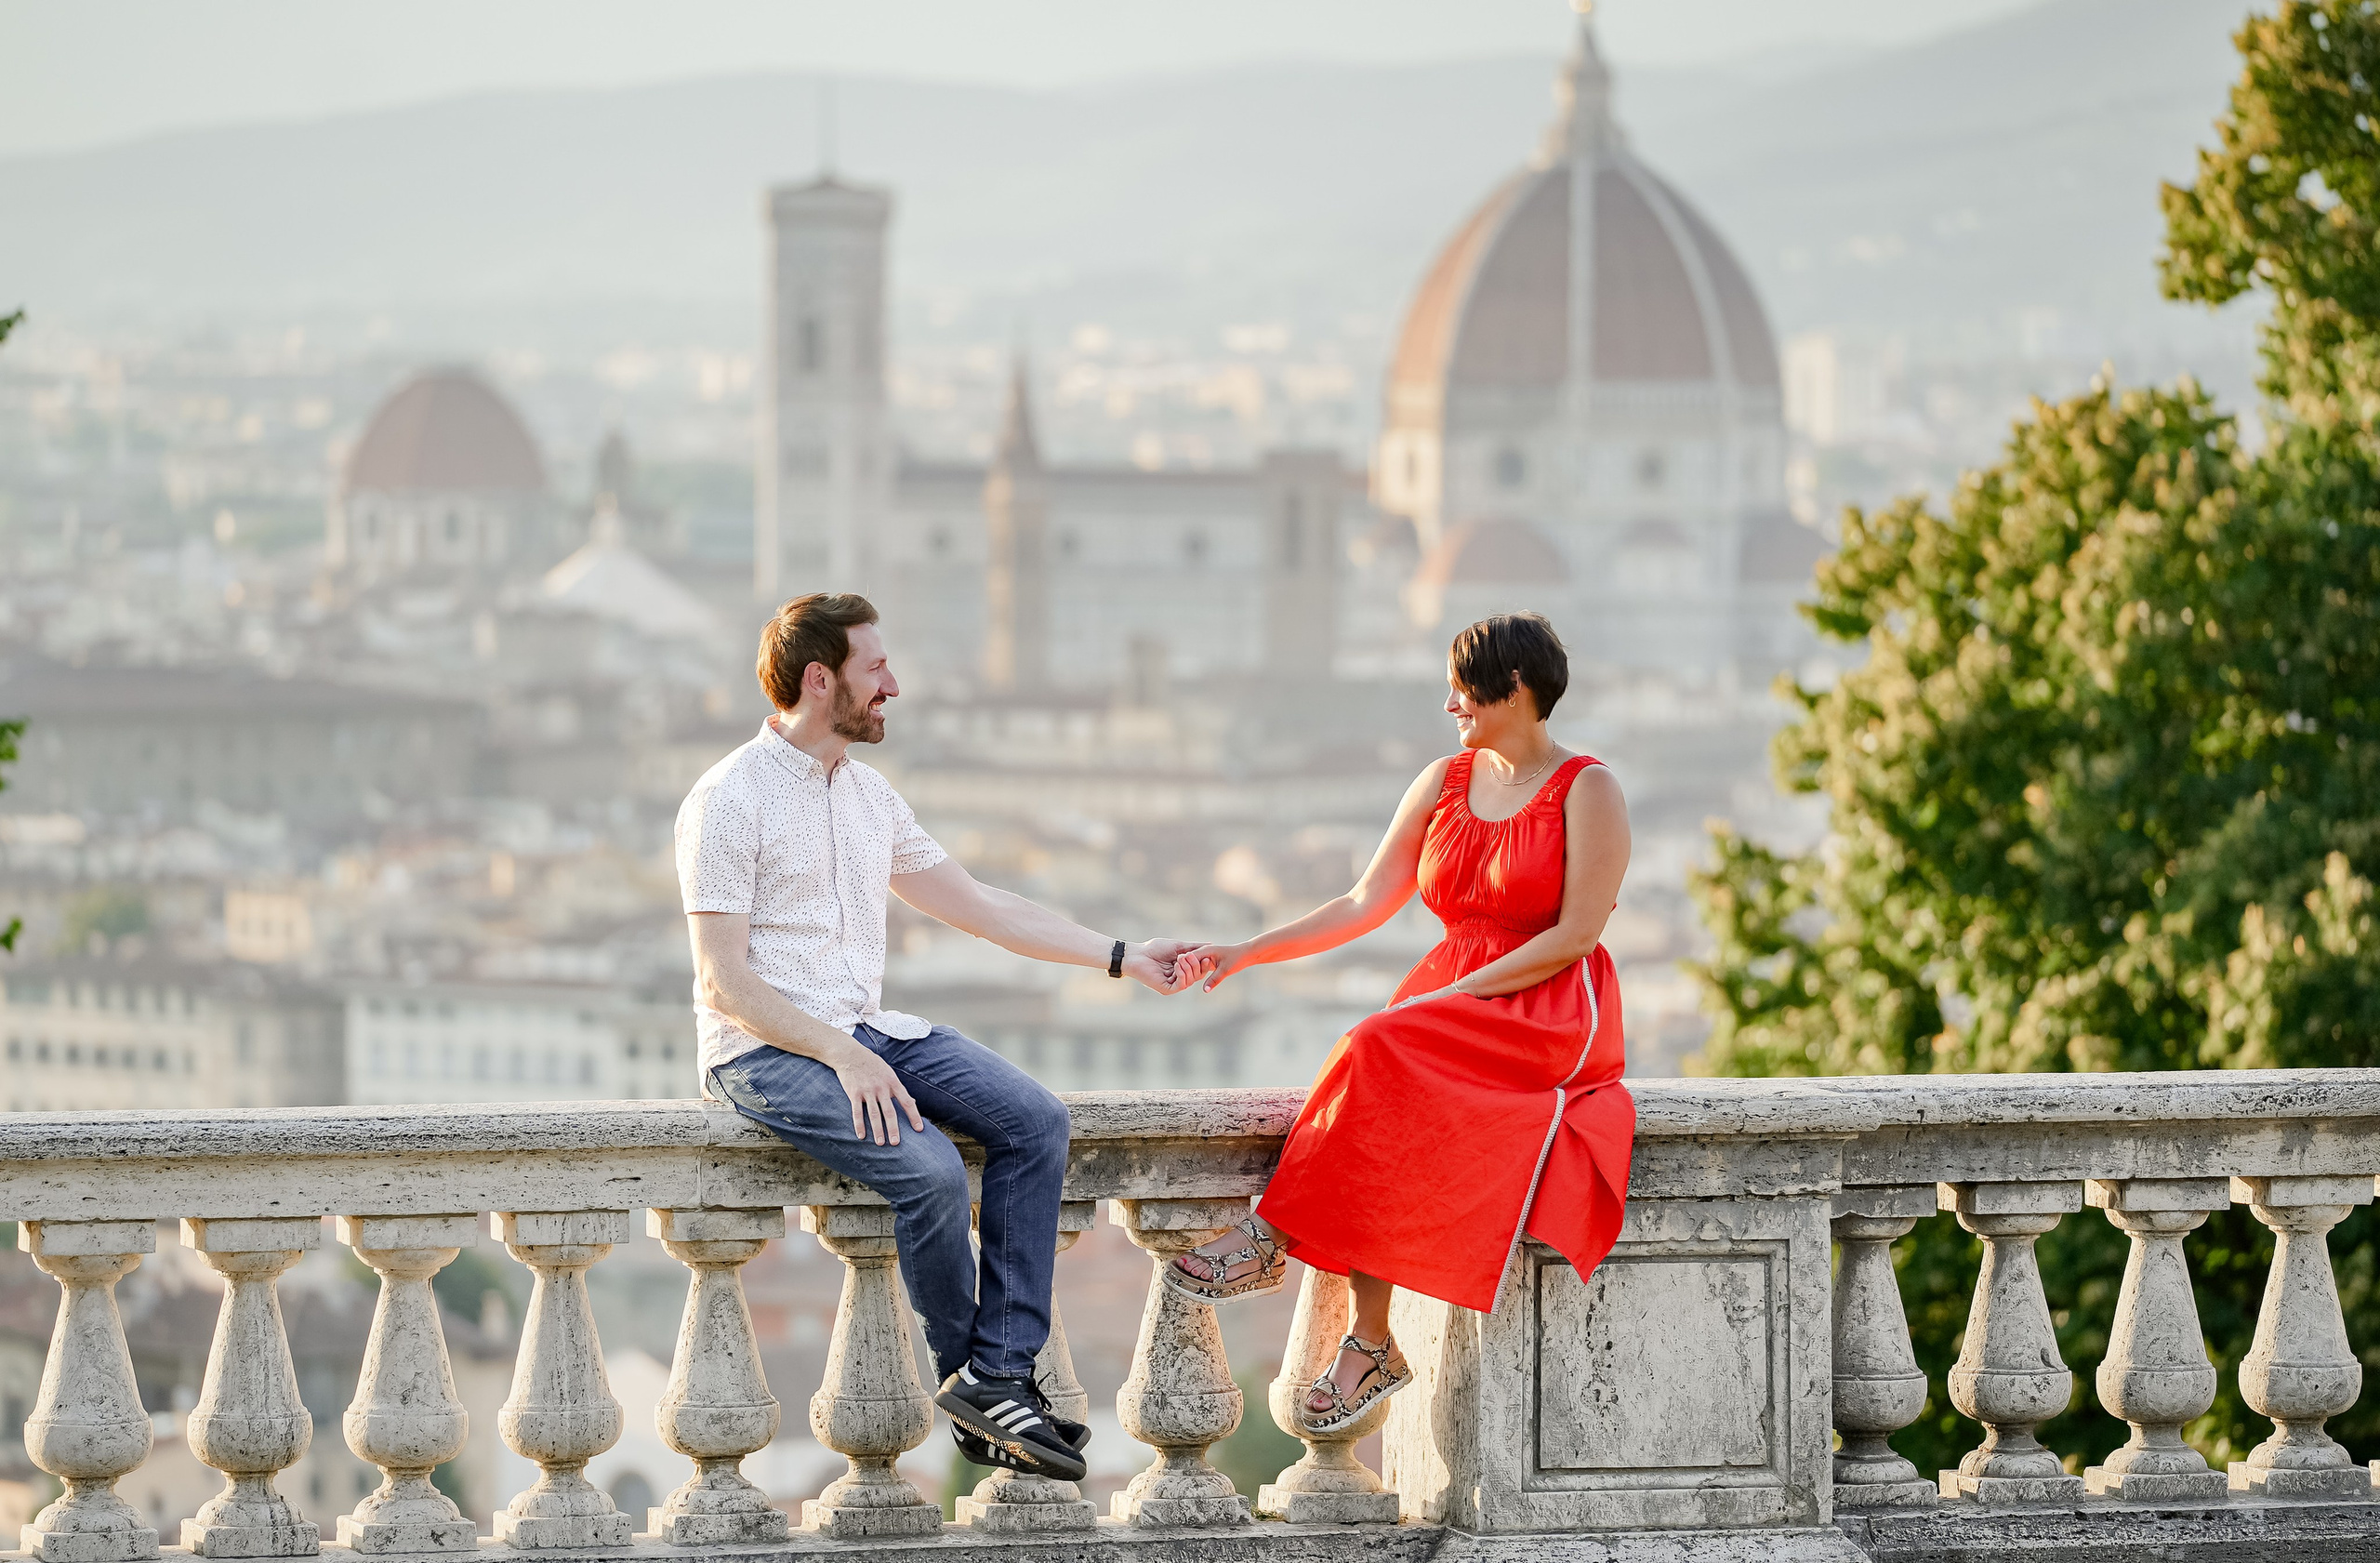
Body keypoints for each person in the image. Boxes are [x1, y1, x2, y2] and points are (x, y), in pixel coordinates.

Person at [676, 590, 1199, 1482]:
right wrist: (842, 1056)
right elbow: (725, 981)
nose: (894, 687)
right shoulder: (727, 799)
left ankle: (996, 1373)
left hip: (870, 1030)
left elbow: (985, 907)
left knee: (1035, 1120)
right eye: (875, 670)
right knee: (924, 1170)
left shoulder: (871, 798)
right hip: (763, 1051)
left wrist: (1121, 956)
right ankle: (977, 1382)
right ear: (818, 678)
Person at [1170, 612, 1633, 1436]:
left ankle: (1270, 1233)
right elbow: (1361, 902)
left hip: (1548, 1006)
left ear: (1516, 689)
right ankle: (1371, 1340)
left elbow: (1575, 936)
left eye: (1465, 685)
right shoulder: (1443, 781)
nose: (1451, 701)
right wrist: (1248, 950)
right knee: (1384, 1091)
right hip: (1447, 1001)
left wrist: (1459, 998)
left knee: (1372, 1042)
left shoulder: (1589, 787)